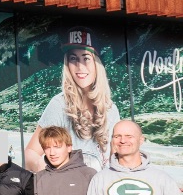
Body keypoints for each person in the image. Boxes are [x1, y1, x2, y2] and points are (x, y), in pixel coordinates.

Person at [36, 27, 120, 166]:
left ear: (97, 63)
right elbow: (31, 154)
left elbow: (114, 159)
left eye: (86, 58)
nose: (80, 66)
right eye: (73, 58)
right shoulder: (59, 105)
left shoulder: (111, 110)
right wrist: (52, 176)